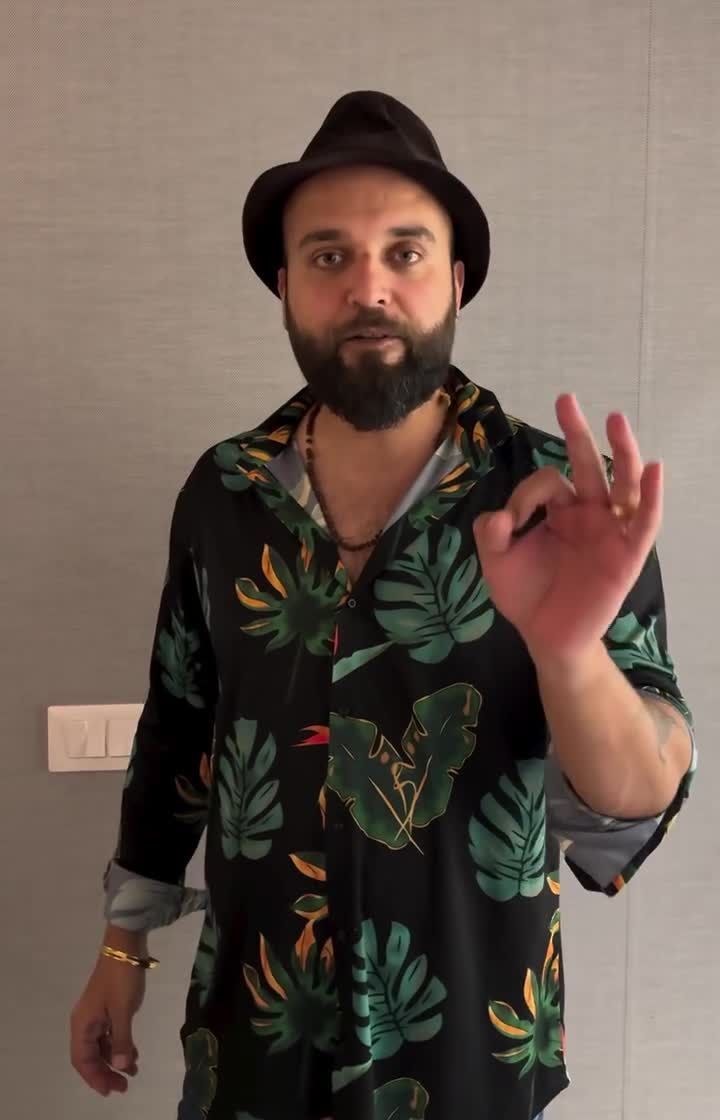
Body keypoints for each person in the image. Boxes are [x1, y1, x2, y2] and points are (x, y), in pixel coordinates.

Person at [70, 91, 696, 1120]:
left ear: (456, 280)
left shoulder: (564, 505)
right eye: (329, 256)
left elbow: (633, 802)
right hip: (253, 1043)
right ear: (285, 286)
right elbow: (179, 731)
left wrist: (570, 654)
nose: (369, 287)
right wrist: (122, 946)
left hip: (469, 1053)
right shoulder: (223, 494)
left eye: (405, 253)